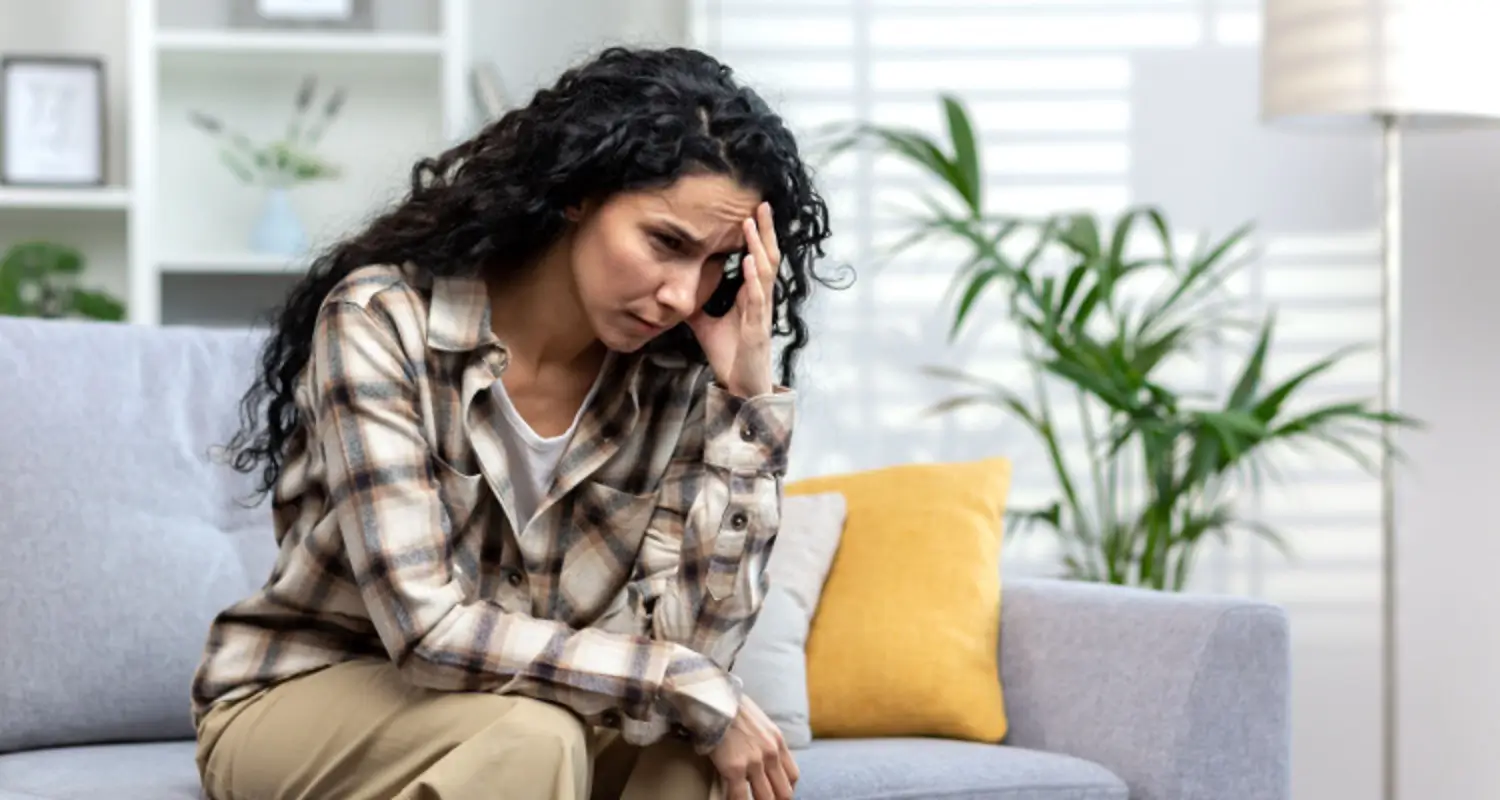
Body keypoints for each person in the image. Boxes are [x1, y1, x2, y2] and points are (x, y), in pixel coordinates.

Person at [189, 45, 836, 800]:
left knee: (697, 756)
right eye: (666, 243)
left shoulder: (679, 377)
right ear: (578, 196)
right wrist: (677, 680)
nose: (680, 294)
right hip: (311, 694)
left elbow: (694, 653)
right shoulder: (383, 323)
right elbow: (426, 632)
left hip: (537, 714)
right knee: (535, 739)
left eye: (715, 265)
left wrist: (746, 410)